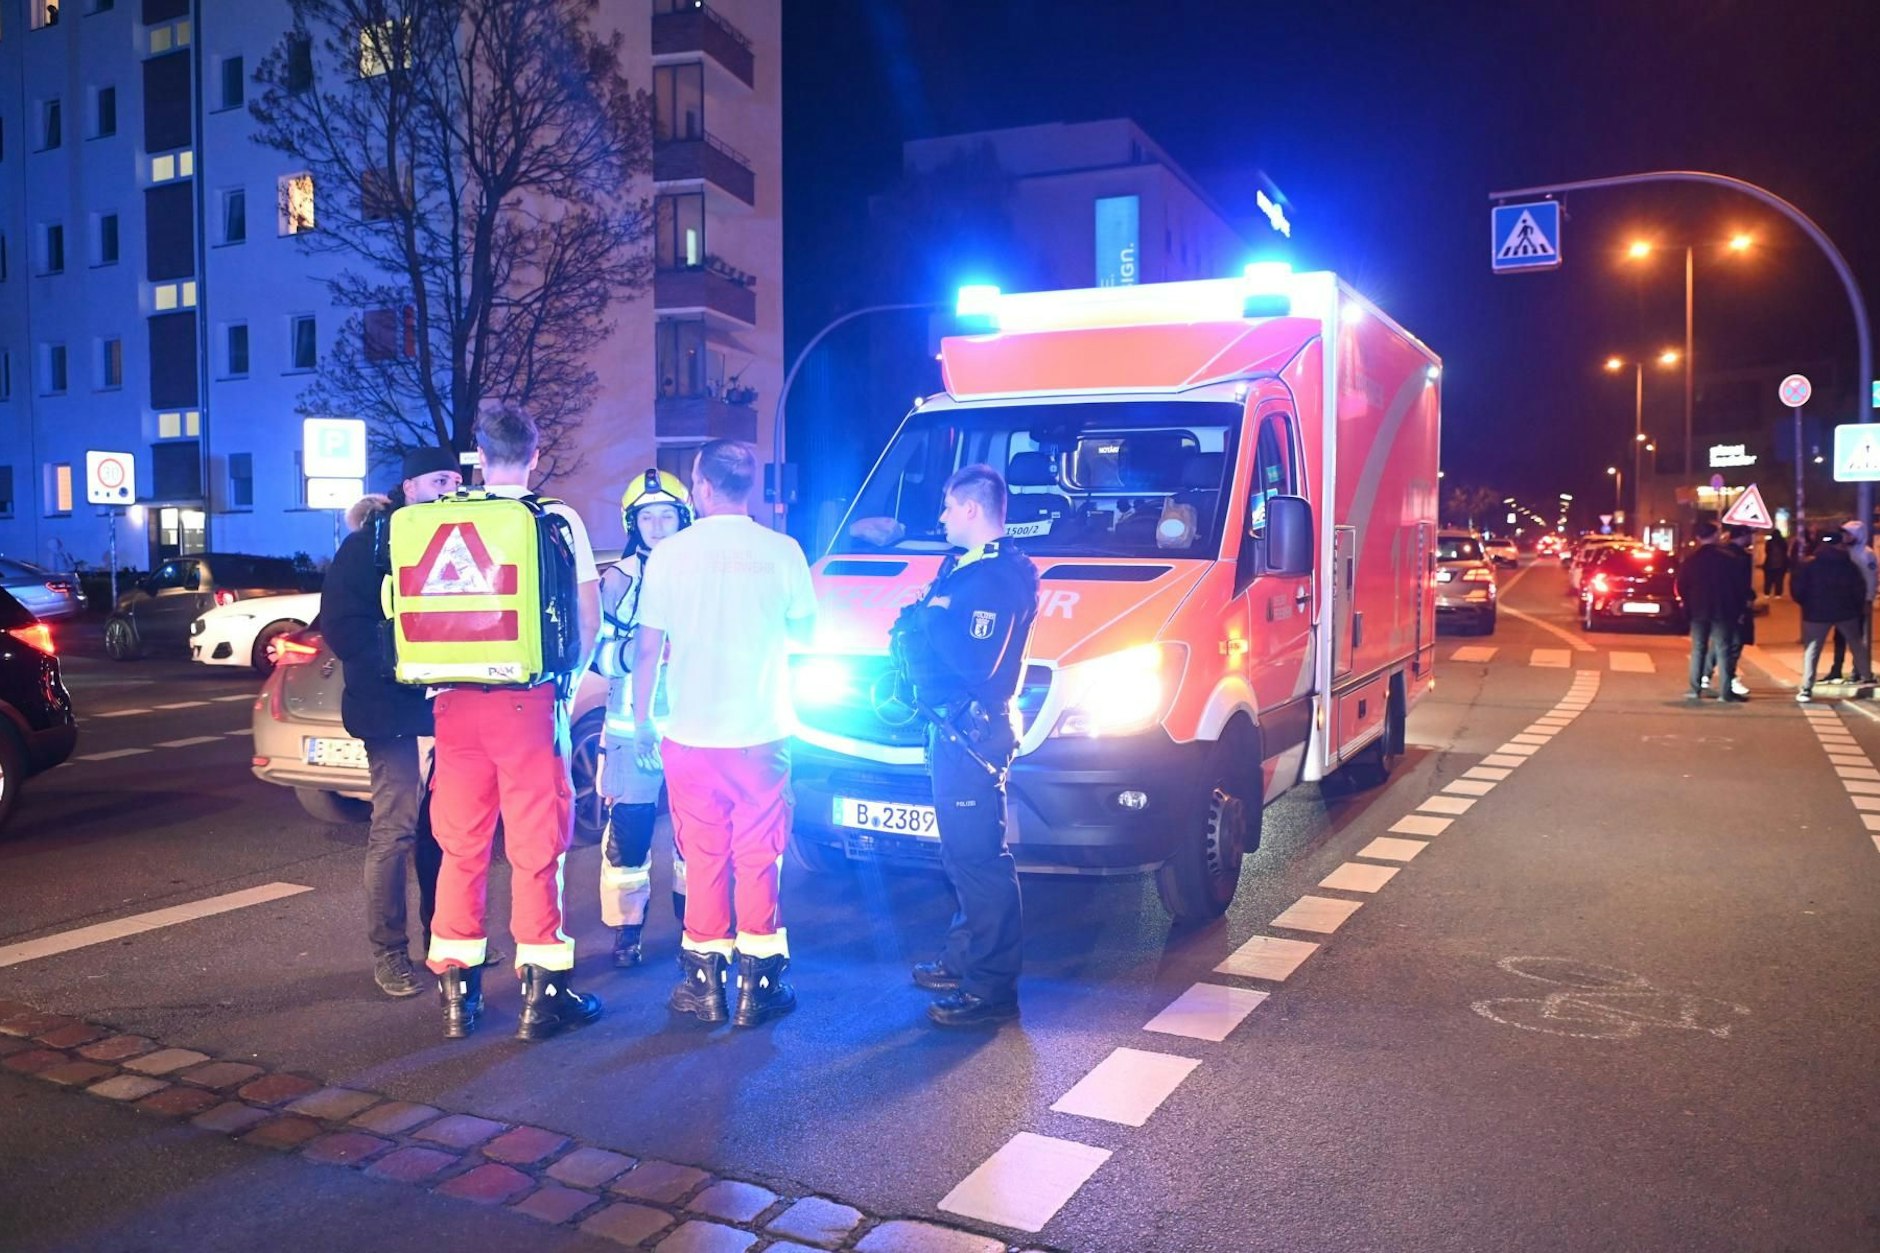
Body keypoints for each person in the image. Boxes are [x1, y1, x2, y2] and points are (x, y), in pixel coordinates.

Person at [426, 405, 603, 1041]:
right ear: (534, 454)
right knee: (535, 844)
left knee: (460, 845)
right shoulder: (554, 519)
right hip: (527, 705)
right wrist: (568, 687)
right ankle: (542, 993)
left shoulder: (442, 518)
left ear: (477, 452)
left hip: (454, 706)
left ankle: (455, 992)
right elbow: (588, 619)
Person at [631, 440, 817, 1028]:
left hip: (690, 733)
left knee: (704, 855)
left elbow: (648, 647)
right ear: (752, 486)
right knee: (759, 854)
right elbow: (806, 633)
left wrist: (641, 720)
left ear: (701, 487)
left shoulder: (669, 555)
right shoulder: (783, 551)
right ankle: (758, 986)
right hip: (760, 732)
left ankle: (702, 985)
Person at [321, 447, 473, 998]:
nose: (448, 490)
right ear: (409, 487)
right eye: (438, 480)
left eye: (456, 481)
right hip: (392, 711)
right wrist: (414, 657)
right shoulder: (367, 548)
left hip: (448, 711)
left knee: (445, 831)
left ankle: (444, 938)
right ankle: (390, 952)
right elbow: (343, 627)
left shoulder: (455, 544)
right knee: (395, 831)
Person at [894, 464, 1040, 1028]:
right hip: (956, 728)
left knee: (981, 860)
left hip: (972, 731)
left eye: (949, 507)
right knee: (961, 854)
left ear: (972, 509)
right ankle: (964, 959)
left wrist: (929, 619)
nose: (942, 517)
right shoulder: (969, 570)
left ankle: (991, 989)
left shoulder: (995, 578)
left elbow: (976, 663)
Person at [593, 469, 691, 968]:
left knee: (693, 836)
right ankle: (626, 934)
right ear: (633, 523)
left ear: (683, 517)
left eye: (666, 515)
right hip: (633, 734)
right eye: (647, 516)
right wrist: (644, 651)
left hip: (696, 729)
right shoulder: (618, 579)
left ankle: (695, 929)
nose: (657, 525)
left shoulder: (705, 571)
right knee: (628, 836)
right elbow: (597, 656)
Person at [1675, 521, 1750, 703]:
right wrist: (1740, 609)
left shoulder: (1691, 560)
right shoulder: (1729, 560)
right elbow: (1740, 587)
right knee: (1723, 649)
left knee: (1698, 649)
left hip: (1698, 610)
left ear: (1698, 538)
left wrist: (1689, 604)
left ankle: (1695, 688)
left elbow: (1682, 586)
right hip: (1724, 610)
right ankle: (1725, 692)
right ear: (1715, 536)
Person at [1793, 528, 1869, 702]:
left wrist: (1807, 605)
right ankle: (1867, 676)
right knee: (1856, 644)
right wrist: (1856, 608)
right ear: (1840, 544)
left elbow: (1797, 589)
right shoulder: (1849, 564)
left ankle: (1806, 688)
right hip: (1846, 612)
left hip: (1815, 613)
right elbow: (1859, 589)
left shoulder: (1808, 564)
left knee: (1812, 650)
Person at [1826, 520, 1877, 685]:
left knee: (1856, 638)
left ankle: (1857, 671)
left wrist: (1868, 600)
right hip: (1843, 601)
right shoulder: (1843, 551)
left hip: (1858, 602)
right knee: (1839, 637)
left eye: (1848, 533)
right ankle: (1836, 670)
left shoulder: (1866, 554)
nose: (1845, 537)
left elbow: (1871, 579)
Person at [1761, 530, 1790, 598]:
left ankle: (1767, 593)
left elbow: (1767, 551)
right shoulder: (1783, 542)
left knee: (1768, 580)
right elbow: (1785, 551)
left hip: (1770, 564)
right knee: (1779, 580)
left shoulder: (1769, 542)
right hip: (1781, 564)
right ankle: (1778, 594)